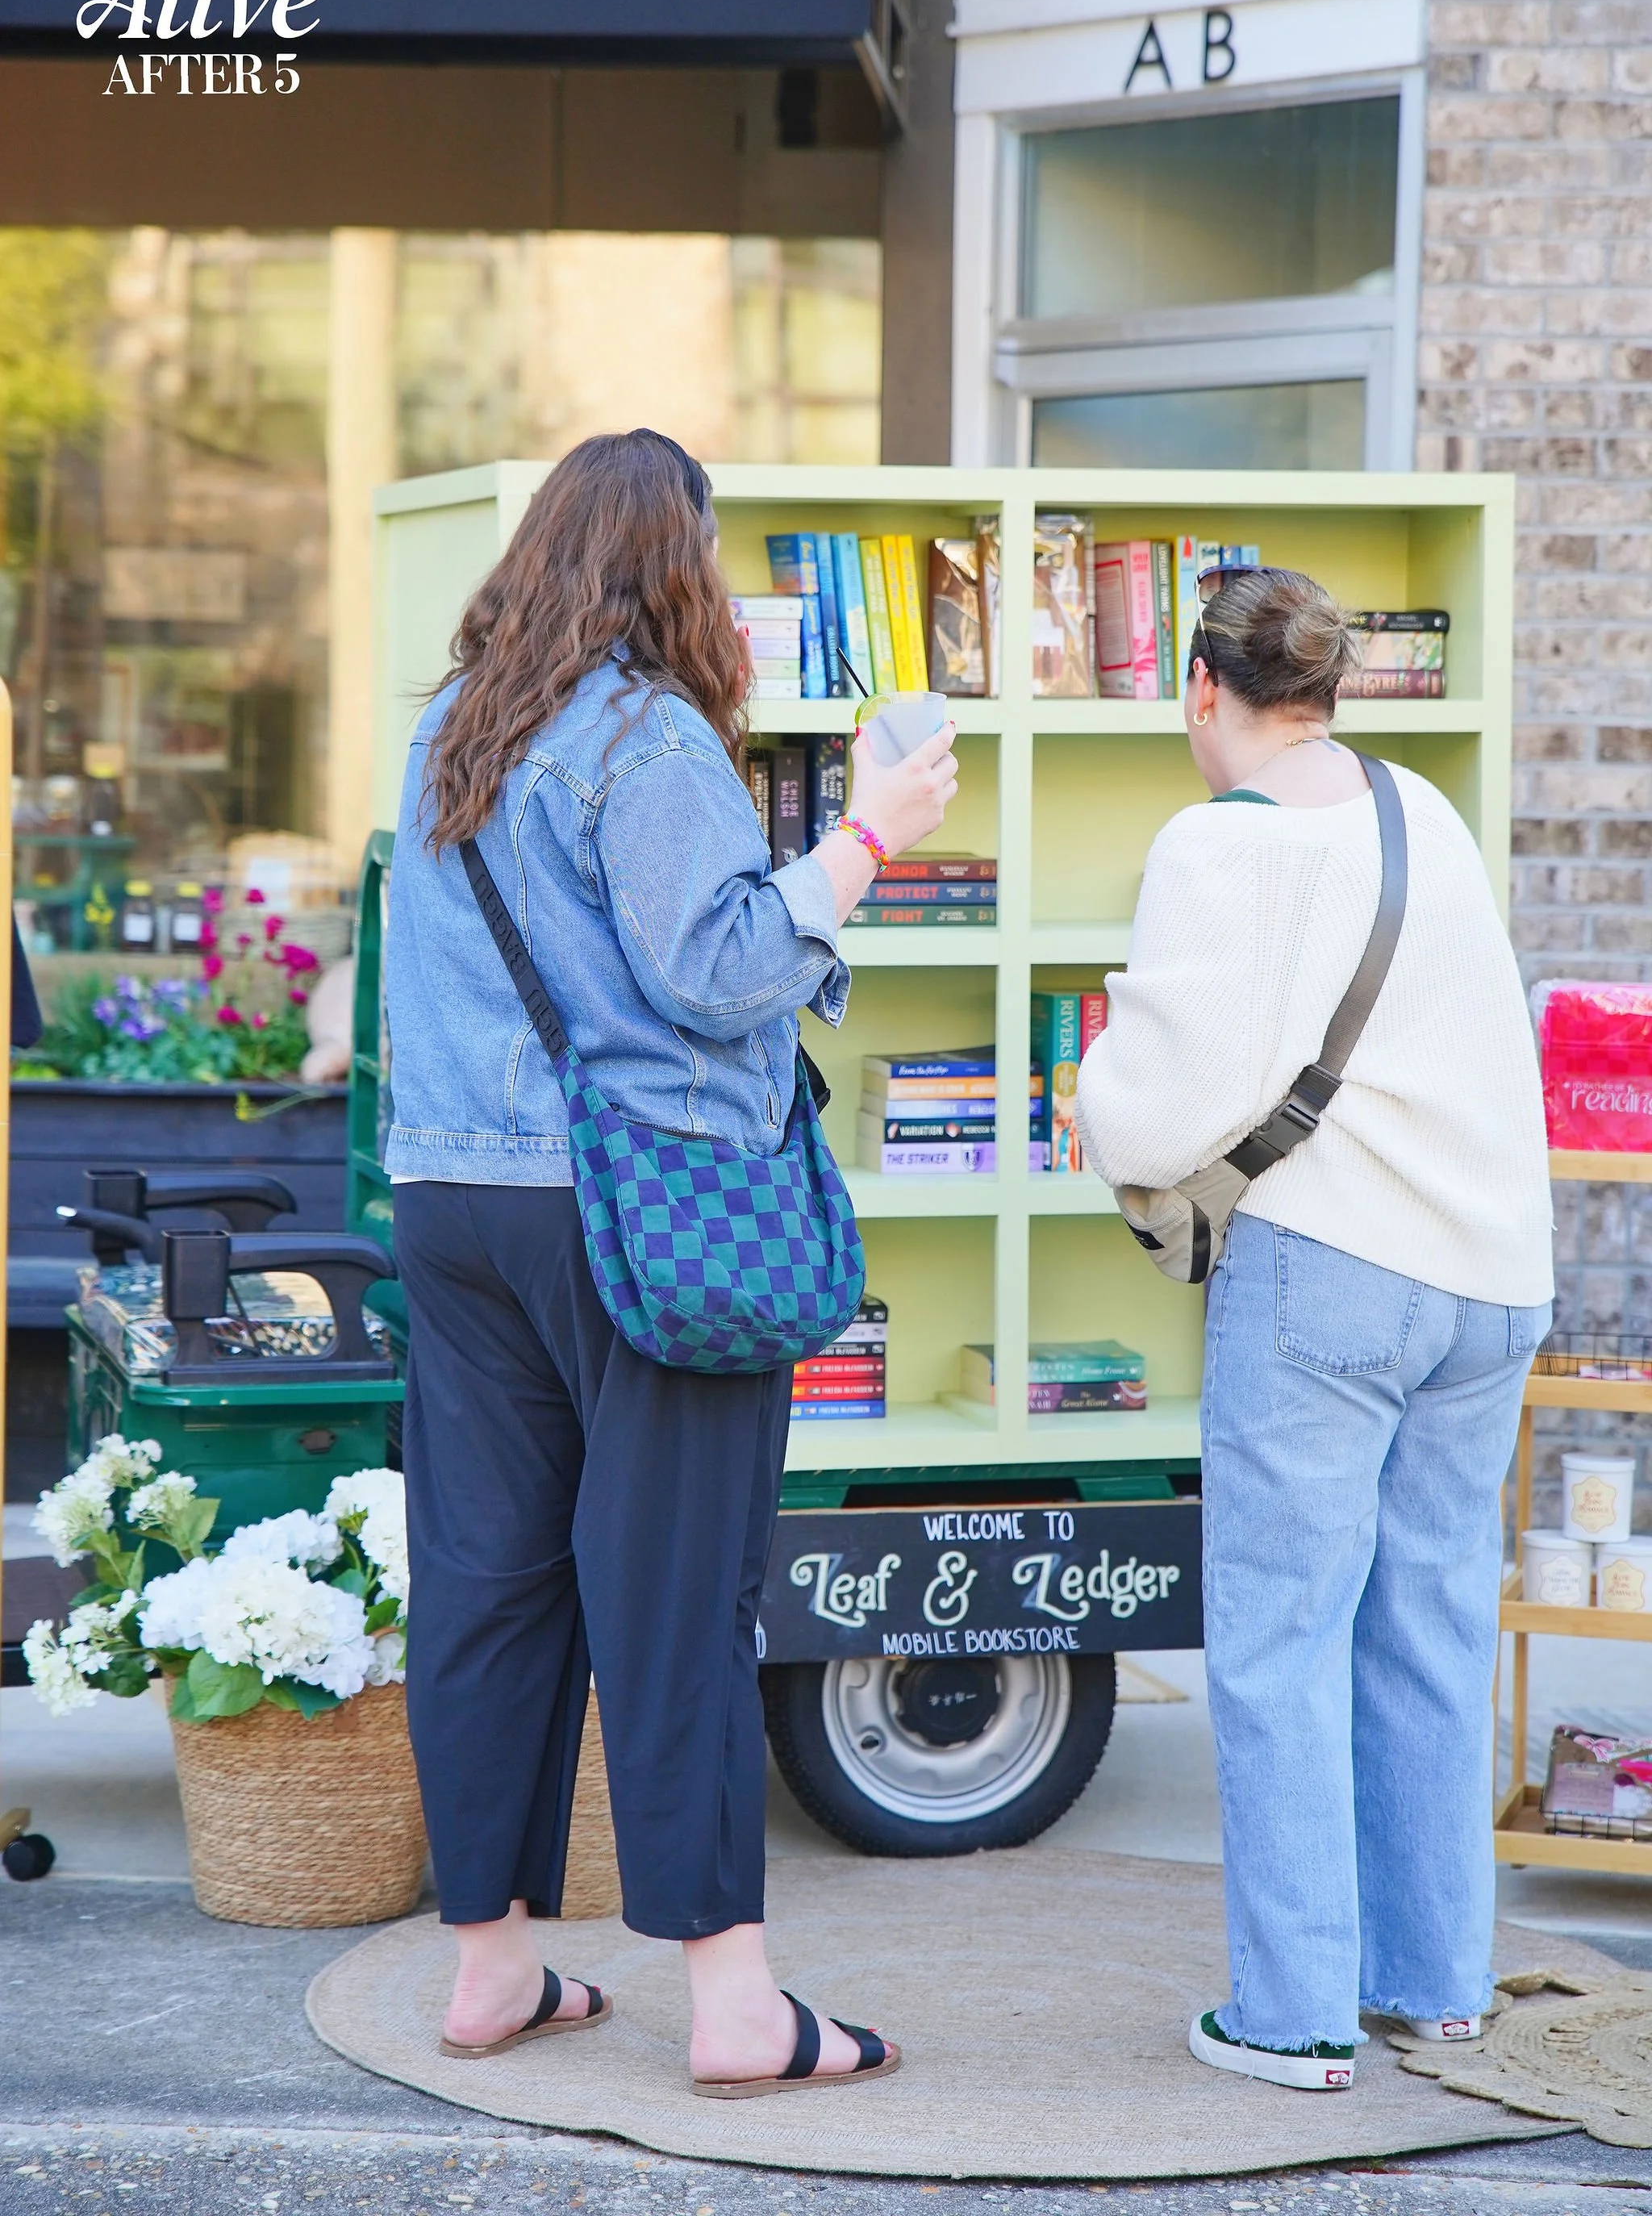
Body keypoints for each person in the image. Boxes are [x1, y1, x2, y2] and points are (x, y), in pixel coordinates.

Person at [383, 428, 954, 2092]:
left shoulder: (446, 729)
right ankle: (734, 2006)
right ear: (675, 564)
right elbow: (715, 965)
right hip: (637, 1213)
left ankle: (490, 1968)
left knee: (487, 1582)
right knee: (680, 1593)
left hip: (454, 1197)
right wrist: (869, 834)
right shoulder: (648, 740)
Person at [1074, 565, 1553, 2094]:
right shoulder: (1426, 813)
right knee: (1430, 1630)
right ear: (1331, 691)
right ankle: (1438, 1984)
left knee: (1283, 1642)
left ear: (1202, 692)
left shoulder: (1226, 846)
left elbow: (1156, 1107)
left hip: (1334, 1275)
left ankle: (1291, 2020)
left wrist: (1096, 1073)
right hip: (1489, 1277)